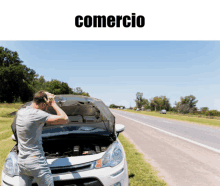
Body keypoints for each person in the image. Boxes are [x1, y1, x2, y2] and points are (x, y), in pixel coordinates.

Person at [16, 90, 69, 186]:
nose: (47, 107)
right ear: (43, 104)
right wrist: (53, 104)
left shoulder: (21, 112)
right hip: (36, 163)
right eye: (46, 105)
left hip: (22, 163)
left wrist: (46, 95)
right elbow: (65, 119)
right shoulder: (37, 114)